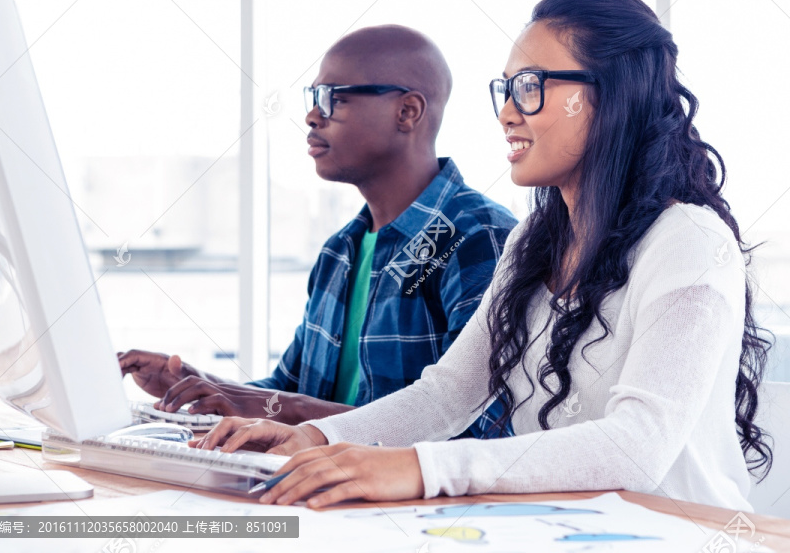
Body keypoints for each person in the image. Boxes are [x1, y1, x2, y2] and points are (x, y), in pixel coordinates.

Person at [191, 0, 774, 512]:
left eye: (531, 87)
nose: (506, 113)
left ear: (611, 94)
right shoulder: (534, 242)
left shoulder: (688, 242)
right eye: (506, 89)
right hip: (564, 529)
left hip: (679, 536)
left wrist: (419, 468)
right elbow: (448, 395)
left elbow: (637, 446)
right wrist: (316, 437)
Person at [119, 25, 518, 440]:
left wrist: (289, 408)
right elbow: (286, 394)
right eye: (313, 99)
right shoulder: (339, 251)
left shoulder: (476, 237)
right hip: (315, 494)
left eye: (334, 98)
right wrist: (195, 387)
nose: (312, 116)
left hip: (403, 505)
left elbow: (480, 426)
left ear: (408, 112)